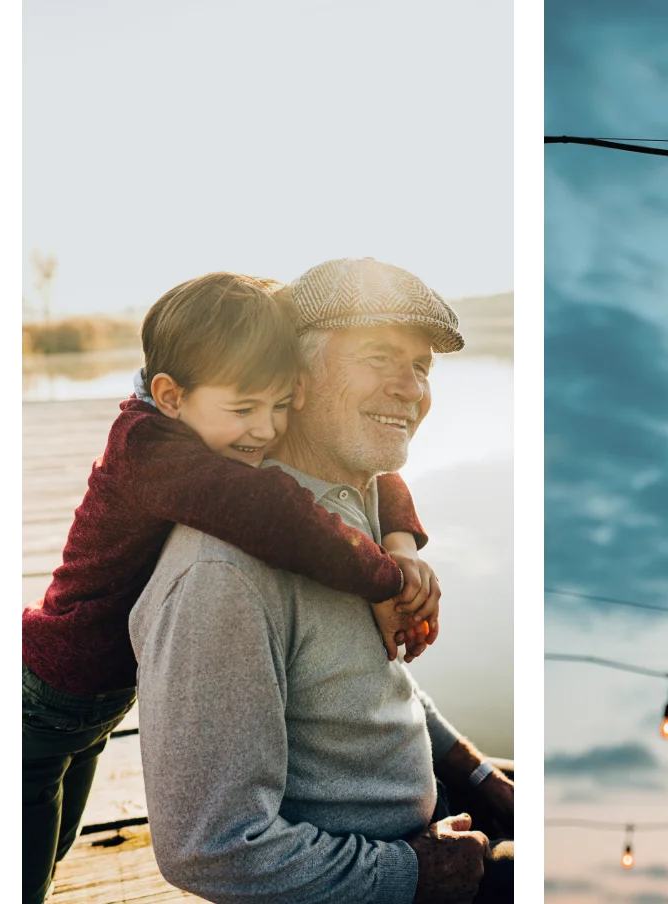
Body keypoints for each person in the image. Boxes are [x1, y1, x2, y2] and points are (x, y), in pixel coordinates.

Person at [19, 271, 444, 903]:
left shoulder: (207, 418)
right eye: (247, 409)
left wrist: (401, 542)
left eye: (278, 405)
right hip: (51, 693)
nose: (266, 430)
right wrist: (381, 577)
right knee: (22, 858)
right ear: (169, 395)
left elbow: (378, 477)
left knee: (51, 840)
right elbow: (273, 511)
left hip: (99, 695)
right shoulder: (155, 452)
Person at [129, 258, 516, 903]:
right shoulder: (221, 574)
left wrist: (471, 769)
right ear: (297, 380)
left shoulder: (346, 509)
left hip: (435, 829)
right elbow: (209, 847)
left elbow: (360, 678)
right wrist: (414, 874)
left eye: (421, 367)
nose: (411, 390)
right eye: (377, 356)